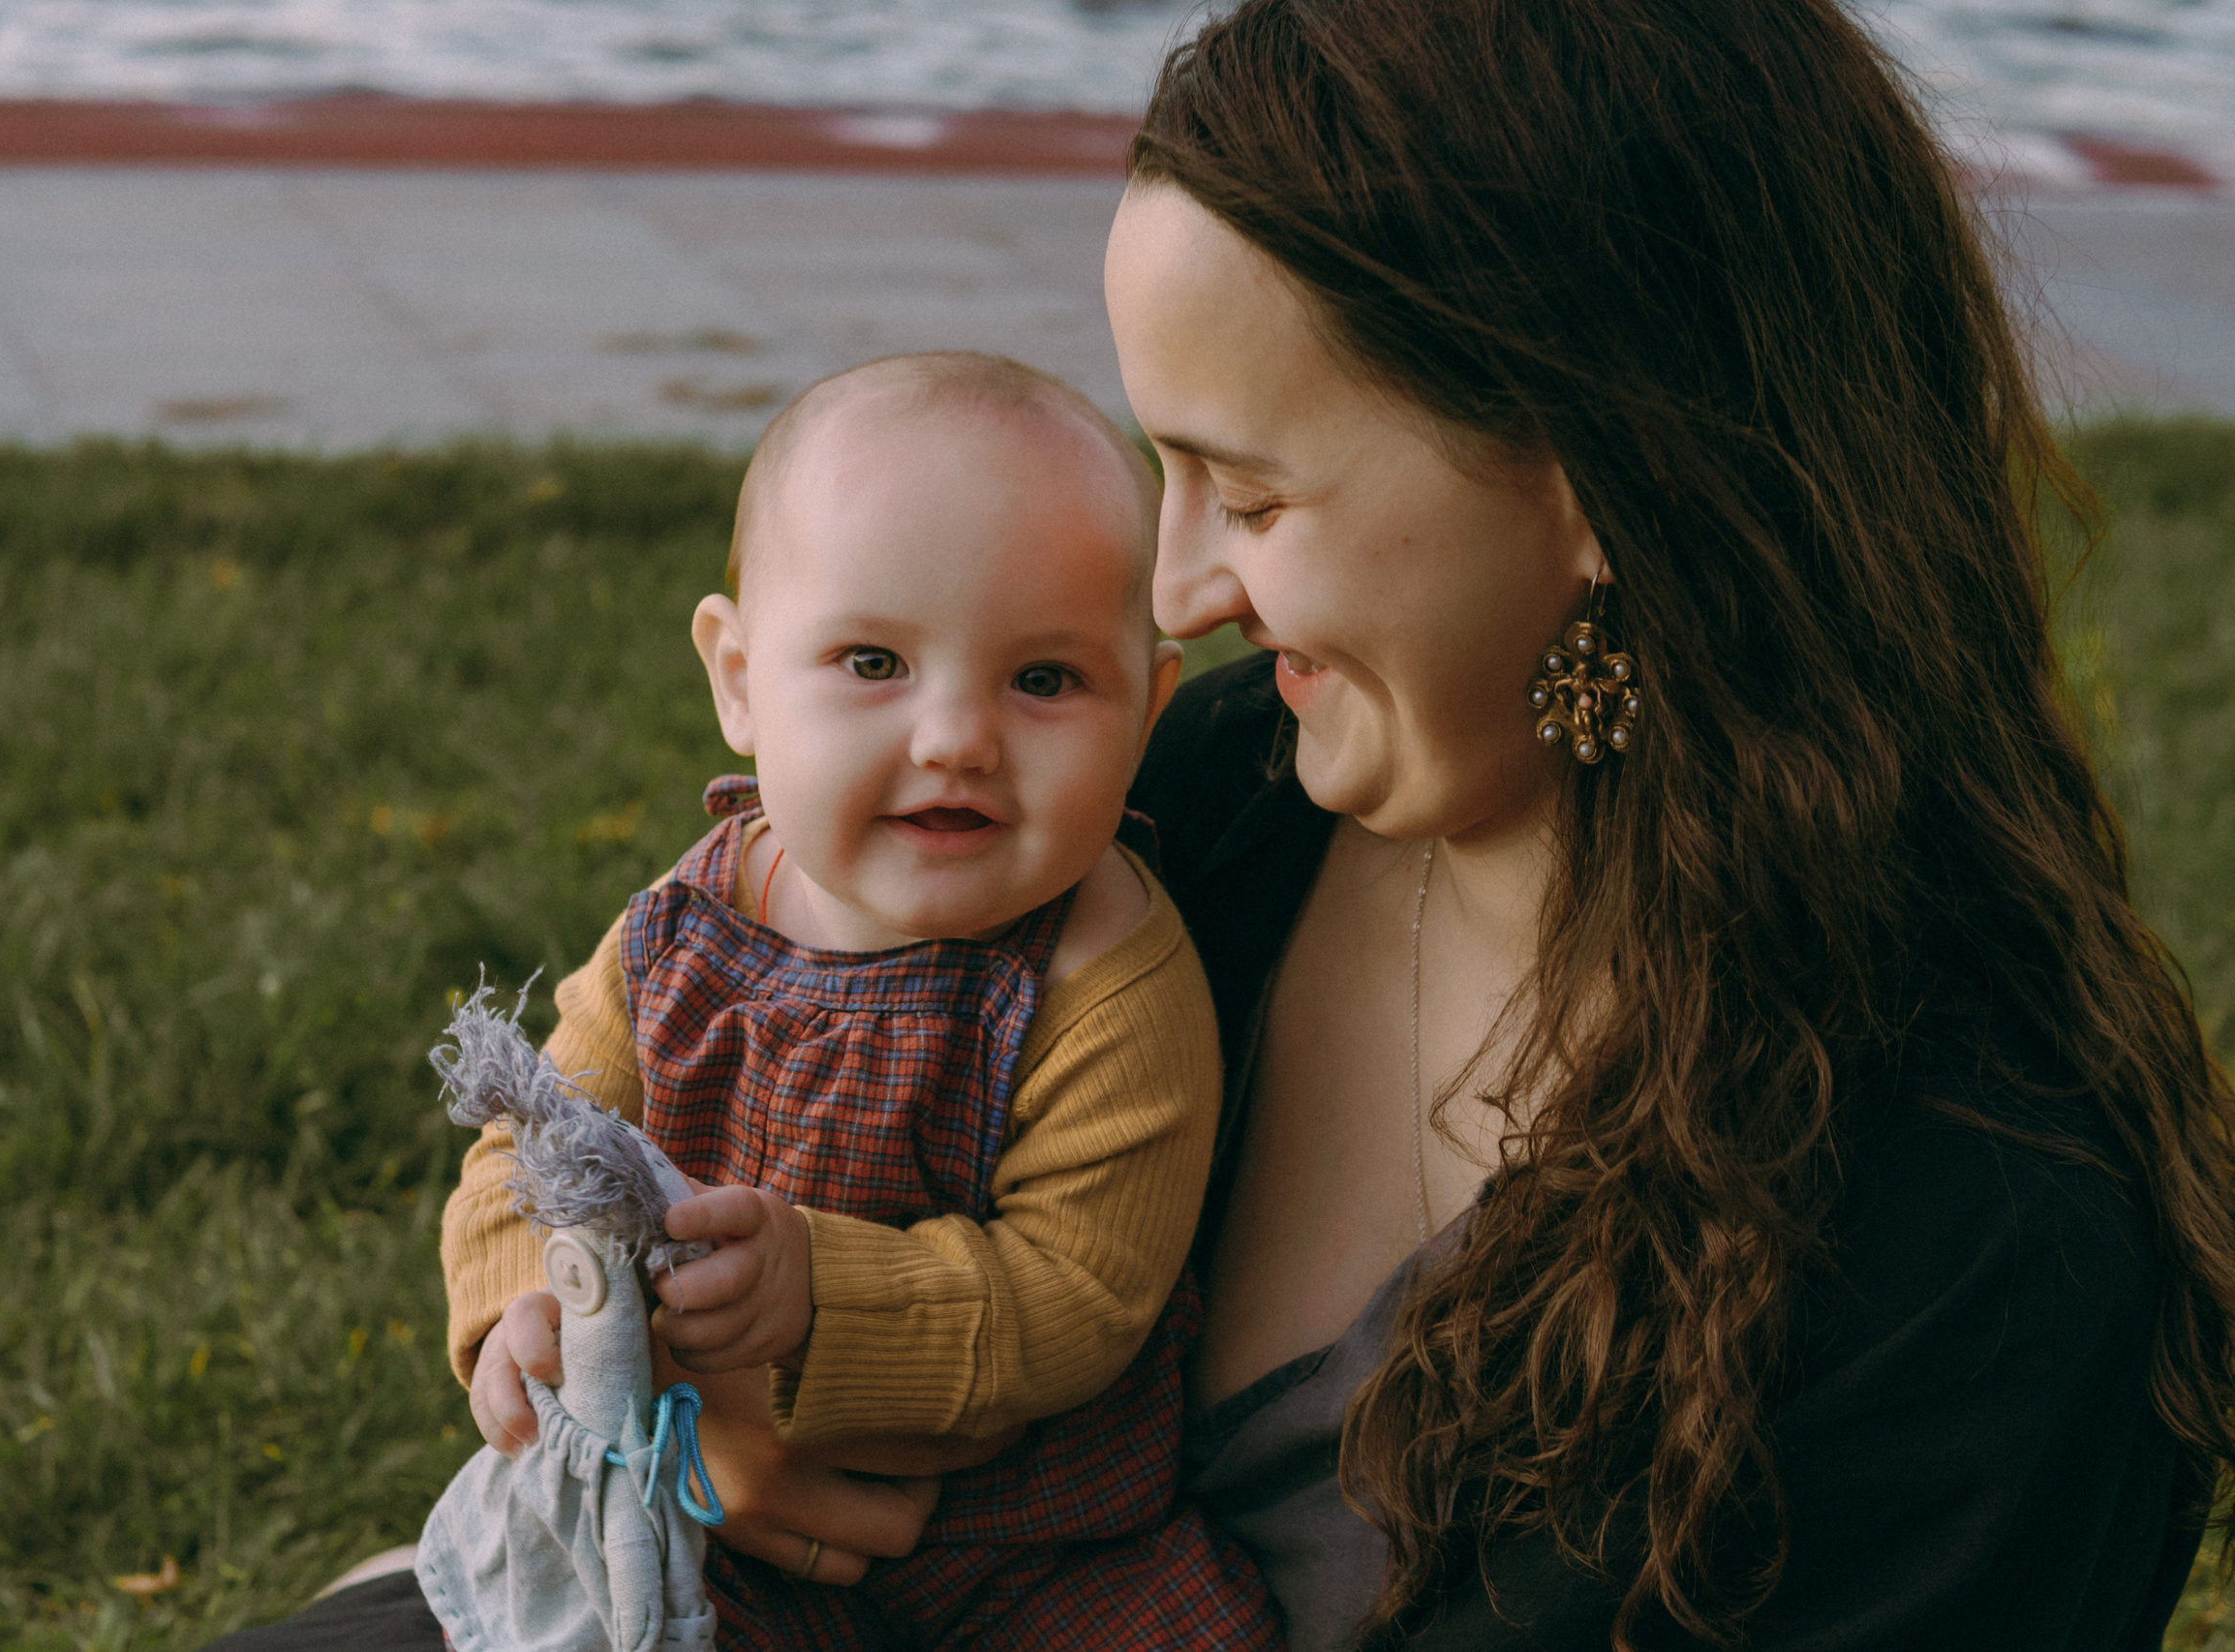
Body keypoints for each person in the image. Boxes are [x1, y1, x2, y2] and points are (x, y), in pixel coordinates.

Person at [213, 1, 2235, 1647]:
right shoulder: (1216, 804)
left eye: (1249, 497)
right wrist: (719, 1435)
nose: (1174, 594)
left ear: (1598, 481)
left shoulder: (1968, 1251)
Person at [447, 350, 1279, 1649]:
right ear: (737, 678)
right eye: (875, 660)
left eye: (1045, 680)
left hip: (1034, 1556)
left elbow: (1079, 1292)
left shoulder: (1109, 974)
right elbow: (539, 1146)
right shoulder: (685, 921)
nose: (956, 734)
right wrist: (525, 1302)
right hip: (708, 1527)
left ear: (1147, 707)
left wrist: (818, 1292)